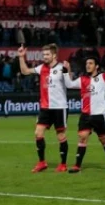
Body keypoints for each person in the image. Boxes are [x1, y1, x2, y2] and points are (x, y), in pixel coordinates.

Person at [18, 43, 69, 173]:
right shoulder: (42, 68)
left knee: (61, 135)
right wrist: (21, 57)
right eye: (44, 54)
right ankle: (42, 162)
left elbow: (70, 83)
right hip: (45, 107)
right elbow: (25, 71)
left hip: (59, 107)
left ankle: (63, 164)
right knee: (38, 133)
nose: (44, 57)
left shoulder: (62, 67)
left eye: (47, 54)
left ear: (54, 55)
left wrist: (68, 72)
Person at [62, 57, 105, 173]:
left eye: (91, 63)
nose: (88, 65)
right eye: (87, 63)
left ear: (96, 66)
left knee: (103, 139)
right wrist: (67, 70)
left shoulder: (103, 77)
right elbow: (69, 84)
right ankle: (77, 165)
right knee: (82, 137)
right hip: (85, 115)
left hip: (99, 115)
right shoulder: (82, 79)